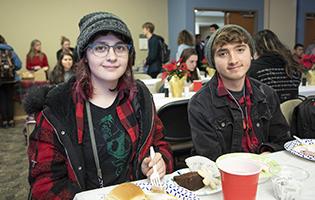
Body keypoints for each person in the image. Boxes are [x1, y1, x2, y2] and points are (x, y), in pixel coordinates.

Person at [25, 12, 173, 200]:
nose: (112, 57)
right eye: (101, 48)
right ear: (85, 55)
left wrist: (156, 164)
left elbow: (160, 144)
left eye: (120, 47)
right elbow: (44, 184)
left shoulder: (139, 96)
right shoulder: (59, 107)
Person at [188, 25, 291, 161]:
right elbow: (210, 160)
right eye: (223, 53)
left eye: (240, 50)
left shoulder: (267, 94)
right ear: (213, 61)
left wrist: (267, 153)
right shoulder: (200, 104)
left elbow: (282, 140)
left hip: (266, 169)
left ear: (252, 53)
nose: (233, 60)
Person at [248, 29, 303, 103]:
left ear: (256, 49)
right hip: (291, 113)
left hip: (266, 113)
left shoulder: (255, 68)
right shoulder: (292, 66)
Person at [0, 34, 22, 128]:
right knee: (10, 100)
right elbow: (18, 65)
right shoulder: (10, 50)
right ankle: (11, 121)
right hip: (11, 80)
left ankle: (4, 121)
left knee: (2, 100)